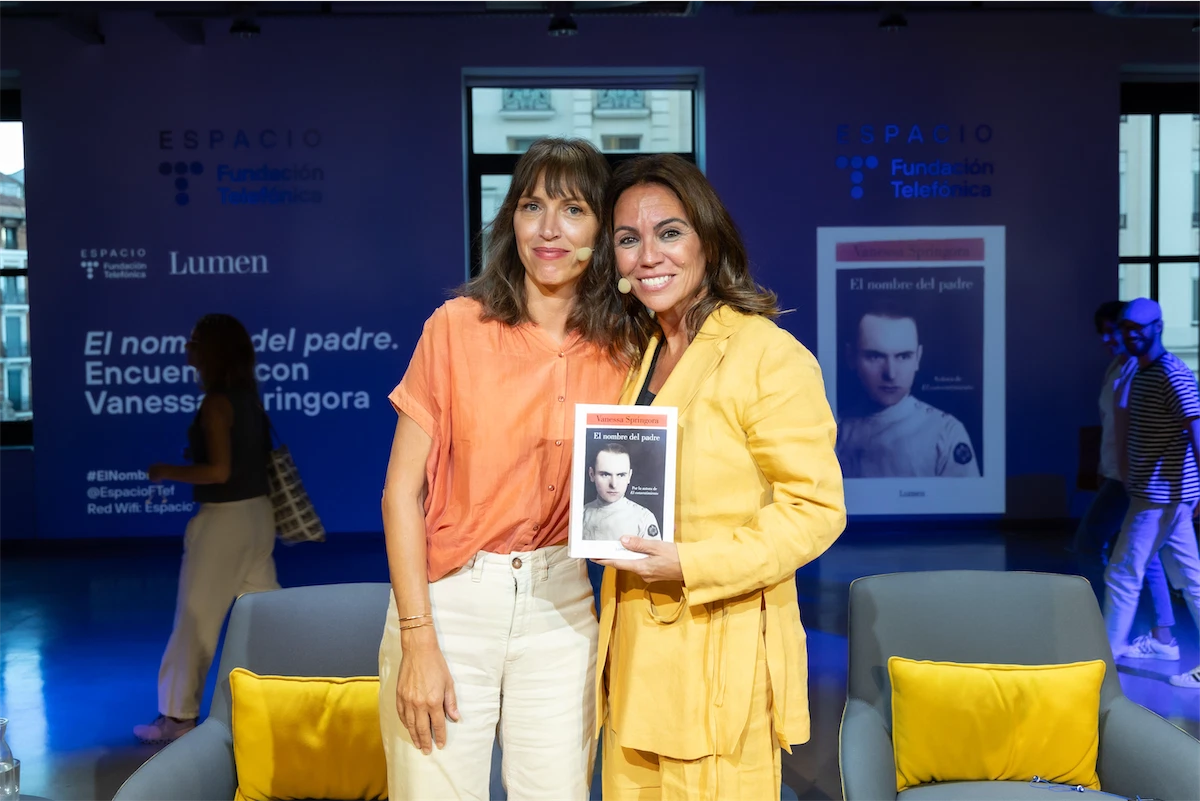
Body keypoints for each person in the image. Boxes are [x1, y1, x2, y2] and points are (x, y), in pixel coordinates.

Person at [377, 137, 626, 800]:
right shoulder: (455, 328)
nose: (548, 228)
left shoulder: (625, 349)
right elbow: (400, 492)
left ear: (602, 230)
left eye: (573, 209)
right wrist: (417, 636)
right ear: (509, 219)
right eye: (531, 205)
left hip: (563, 602)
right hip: (451, 601)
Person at [592, 154, 846, 799]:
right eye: (628, 239)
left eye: (669, 232)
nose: (648, 255)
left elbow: (814, 509)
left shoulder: (767, 355)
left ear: (710, 239)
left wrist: (692, 563)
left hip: (717, 654)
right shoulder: (638, 354)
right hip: (632, 656)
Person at [134, 313, 278, 744]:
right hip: (258, 516)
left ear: (211, 351)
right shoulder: (248, 399)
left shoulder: (216, 404)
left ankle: (177, 718)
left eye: (195, 340)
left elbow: (218, 471)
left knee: (195, 619)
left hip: (224, 522)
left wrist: (165, 470)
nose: (187, 347)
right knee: (267, 614)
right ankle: (285, 694)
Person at [1101, 298, 1200, 689]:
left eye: (1139, 328)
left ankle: (1104, 660)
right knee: (1192, 579)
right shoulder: (1140, 372)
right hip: (1158, 494)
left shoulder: (1172, 374)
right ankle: (1110, 653)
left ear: (1158, 326)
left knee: (1123, 573)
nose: (1131, 335)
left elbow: (1196, 430)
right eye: (1126, 328)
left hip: (1161, 496)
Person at [1072, 300, 1179, 660]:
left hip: (1134, 478)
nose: (1108, 338)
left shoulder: (1142, 370)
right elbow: (1114, 428)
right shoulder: (1117, 368)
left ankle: (1109, 625)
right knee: (1144, 557)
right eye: (1103, 332)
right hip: (1122, 475)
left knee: (1092, 544)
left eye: (1114, 330)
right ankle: (1159, 634)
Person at [835, 305, 980, 478]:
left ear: (918, 357)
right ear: (851, 357)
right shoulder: (834, 430)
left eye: (903, 356)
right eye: (875, 356)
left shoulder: (946, 432)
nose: (890, 373)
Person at [582, 444, 660, 542]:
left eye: (621, 475)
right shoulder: (581, 515)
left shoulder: (644, 518)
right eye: (605, 474)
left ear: (629, 476)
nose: (613, 484)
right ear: (592, 474)